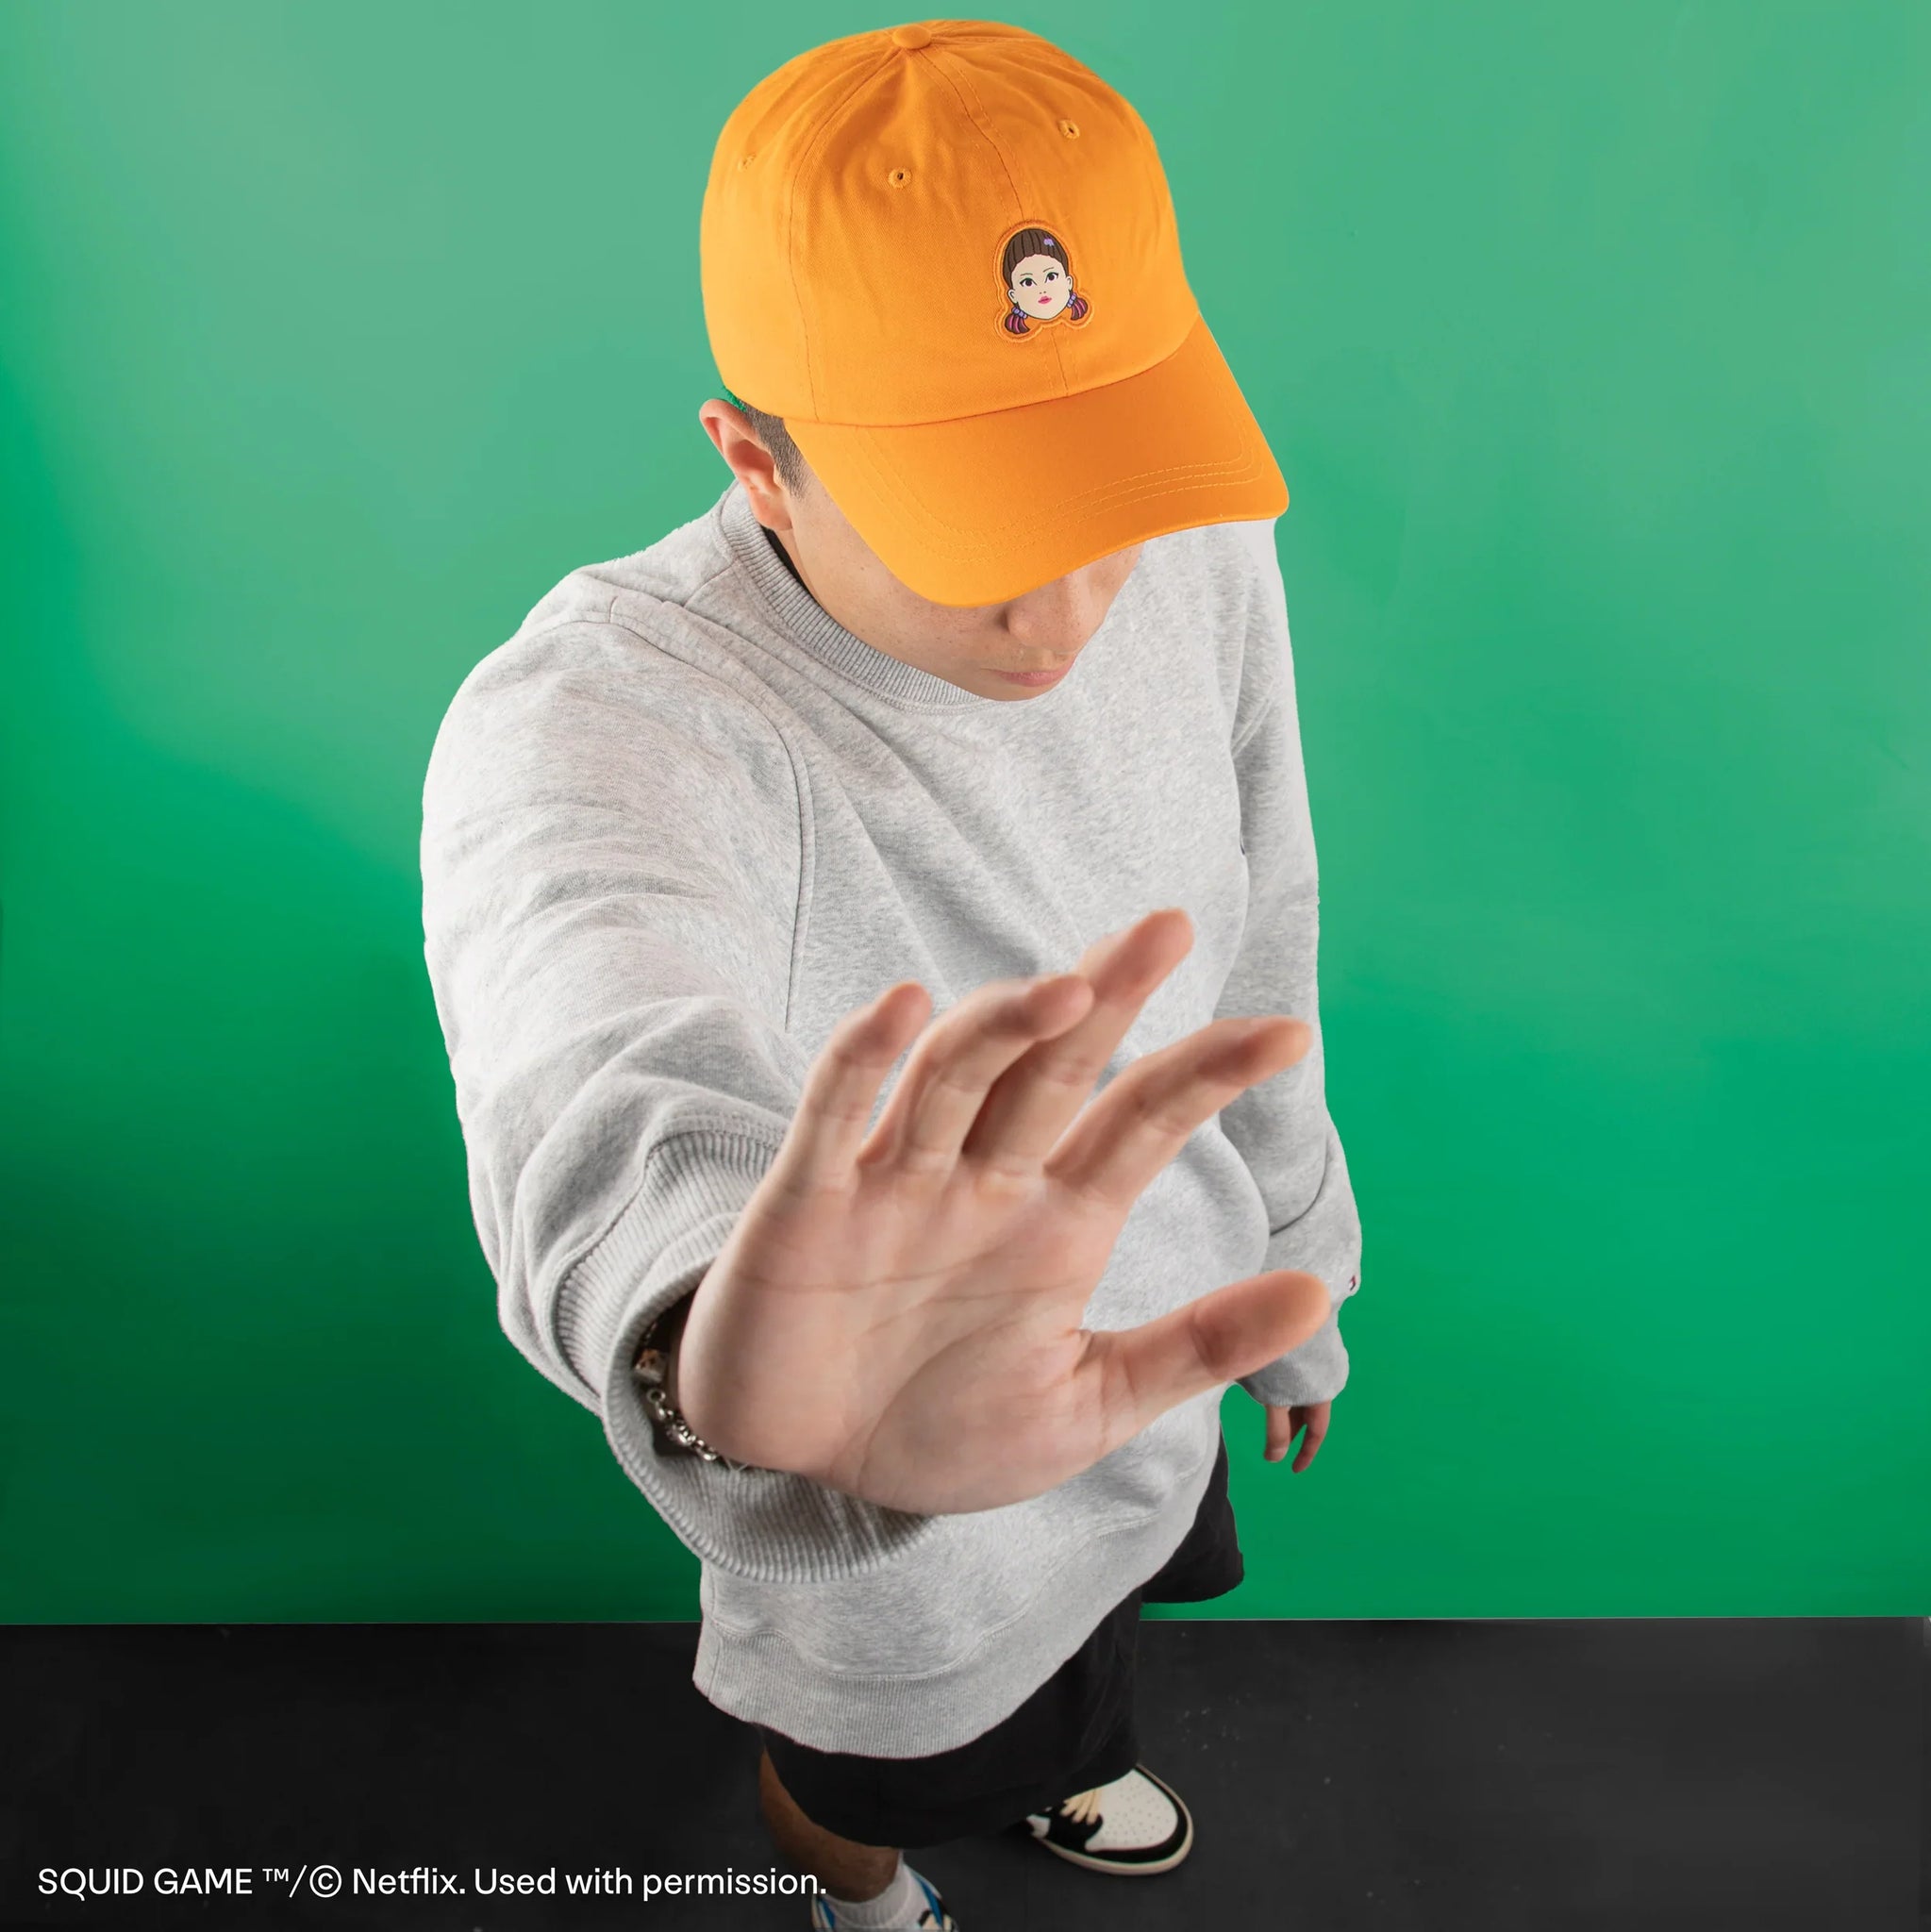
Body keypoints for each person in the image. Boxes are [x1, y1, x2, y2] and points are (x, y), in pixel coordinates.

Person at [420, 20, 1363, 1930]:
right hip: (885, 1492)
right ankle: (858, 1894)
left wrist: (1296, 1263)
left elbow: (1261, 915)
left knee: (1096, 1656)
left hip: (1162, 1351)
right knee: (884, 1766)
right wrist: (724, 1361)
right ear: (756, 464)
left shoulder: (1197, 532)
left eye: (1094, 496)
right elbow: (590, 1037)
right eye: (975, 533)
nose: (1061, 609)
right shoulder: (609, 718)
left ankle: (1067, 1762)